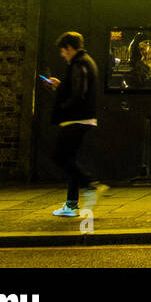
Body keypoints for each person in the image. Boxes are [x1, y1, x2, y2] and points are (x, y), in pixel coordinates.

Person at [47, 31, 106, 218]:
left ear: (70, 48)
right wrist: (61, 85)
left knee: (59, 156)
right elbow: (78, 87)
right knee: (69, 159)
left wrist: (63, 108)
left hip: (76, 118)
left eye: (63, 51)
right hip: (83, 118)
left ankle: (90, 185)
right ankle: (71, 205)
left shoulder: (79, 64)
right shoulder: (85, 62)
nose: (62, 55)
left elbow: (79, 92)